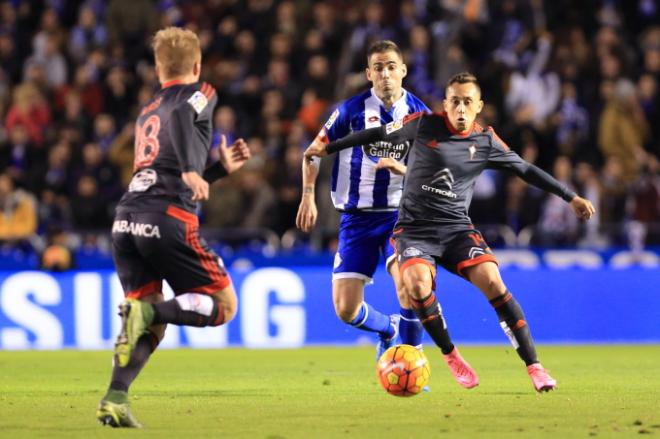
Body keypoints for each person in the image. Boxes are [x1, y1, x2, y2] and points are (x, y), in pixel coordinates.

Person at [304, 72, 596, 393]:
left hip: (457, 229)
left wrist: (571, 197)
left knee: (494, 282)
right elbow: (375, 133)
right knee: (415, 285)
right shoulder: (423, 125)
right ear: (445, 104)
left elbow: (525, 169)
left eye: (467, 102)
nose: (460, 108)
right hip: (414, 231)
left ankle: (535, 366)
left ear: (479, 106)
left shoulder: (486, 141)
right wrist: (330, 147)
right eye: (454, 101)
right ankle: (451, 354)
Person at [296, 40, 478, 389]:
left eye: (391, 66)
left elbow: (438, 170)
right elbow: (313, 152)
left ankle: (412, 358)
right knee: (346, 309)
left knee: (410, 287)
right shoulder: (349, 111)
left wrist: (408, 174)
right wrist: (308, 196)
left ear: (403, 71)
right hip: (356, 218)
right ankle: (387, 327)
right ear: (368, 74)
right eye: (378, 67)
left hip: (401, 215)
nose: (385, 74)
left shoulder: (421, 115)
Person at [96, 27, 250, 428]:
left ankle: (115, 397)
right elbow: (184, 120)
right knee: (224, 306)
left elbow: (160, 168)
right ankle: (146, 313)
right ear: (196, 66)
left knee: (150, 323)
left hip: (127, 218)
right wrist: (189, 170)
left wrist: (214, 171)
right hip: (167, 218)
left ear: (157, 68)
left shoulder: (148, 109)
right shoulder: (202, 93)